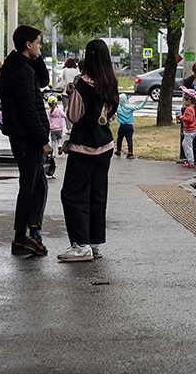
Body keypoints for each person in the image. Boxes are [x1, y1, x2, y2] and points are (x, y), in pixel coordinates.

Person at [58, 39, 119, 262]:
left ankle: (80, 245)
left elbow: (73, 116)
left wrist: (74, 94)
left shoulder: (83, 84)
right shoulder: (111, 82)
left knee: (73, 194)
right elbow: (111, 113)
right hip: (105, 146)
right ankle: (94, 243)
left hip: (83, 146)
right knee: (97, 193)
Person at [1, 25, 52, 257]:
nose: (40, 46)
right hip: (27, 137)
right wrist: (43, 141)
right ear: (28, 44)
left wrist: (38, 57)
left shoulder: (21, 64)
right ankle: (24, 237)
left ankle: (30, 234)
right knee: (31, 186)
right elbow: (28, 110)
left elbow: (43, 79)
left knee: (37, 185)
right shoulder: (20, 70)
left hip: (24, 136)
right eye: (38, 42)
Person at [114, 93, 146, 158]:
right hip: (130, 126)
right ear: (125, 100)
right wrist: (144, 101)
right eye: (127, 99)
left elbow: (112, 109)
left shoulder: (118, 109)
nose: (128, 100)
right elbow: (139, 107)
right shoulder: (130, 107)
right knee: (129, 140)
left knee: (119, 138)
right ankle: (130, 153)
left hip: (122, 126)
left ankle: (119, 151)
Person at [177, 89, 196, 169]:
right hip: (195, 130)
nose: (184, 102)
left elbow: (189, 120)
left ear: (189, 101)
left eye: (185, 100)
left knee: (188, 146)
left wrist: (181, 117)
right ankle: (189, 159)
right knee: (185, 144)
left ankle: (191, 162)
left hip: (189, 131)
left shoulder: (188, 110)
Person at [58, 58, 79, 132]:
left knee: (66, 110)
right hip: (74, 92)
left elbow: (59, 79)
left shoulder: (65, 70)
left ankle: (69, 128)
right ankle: (75, 127)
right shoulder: (77, 71)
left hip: (65, 92)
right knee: (75, 109)